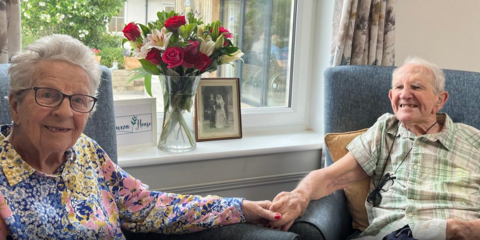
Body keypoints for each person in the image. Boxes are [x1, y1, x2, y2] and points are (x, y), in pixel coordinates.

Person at [0, 34, 282, 239]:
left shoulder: (87, 152)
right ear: (15, 105)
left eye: (79, 100)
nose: (64, 112)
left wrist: (238, 208)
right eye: (48, 95)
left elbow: (147, 206)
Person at [268, 57, 480, 239]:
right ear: (391, 97)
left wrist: (465, 229)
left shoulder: (473, 140)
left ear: (440, 100)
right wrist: (299, 196)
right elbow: (331, 177)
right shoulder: (385, 131)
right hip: (394, 234)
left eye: (416, 87)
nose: (405, 94)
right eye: (399, 87)